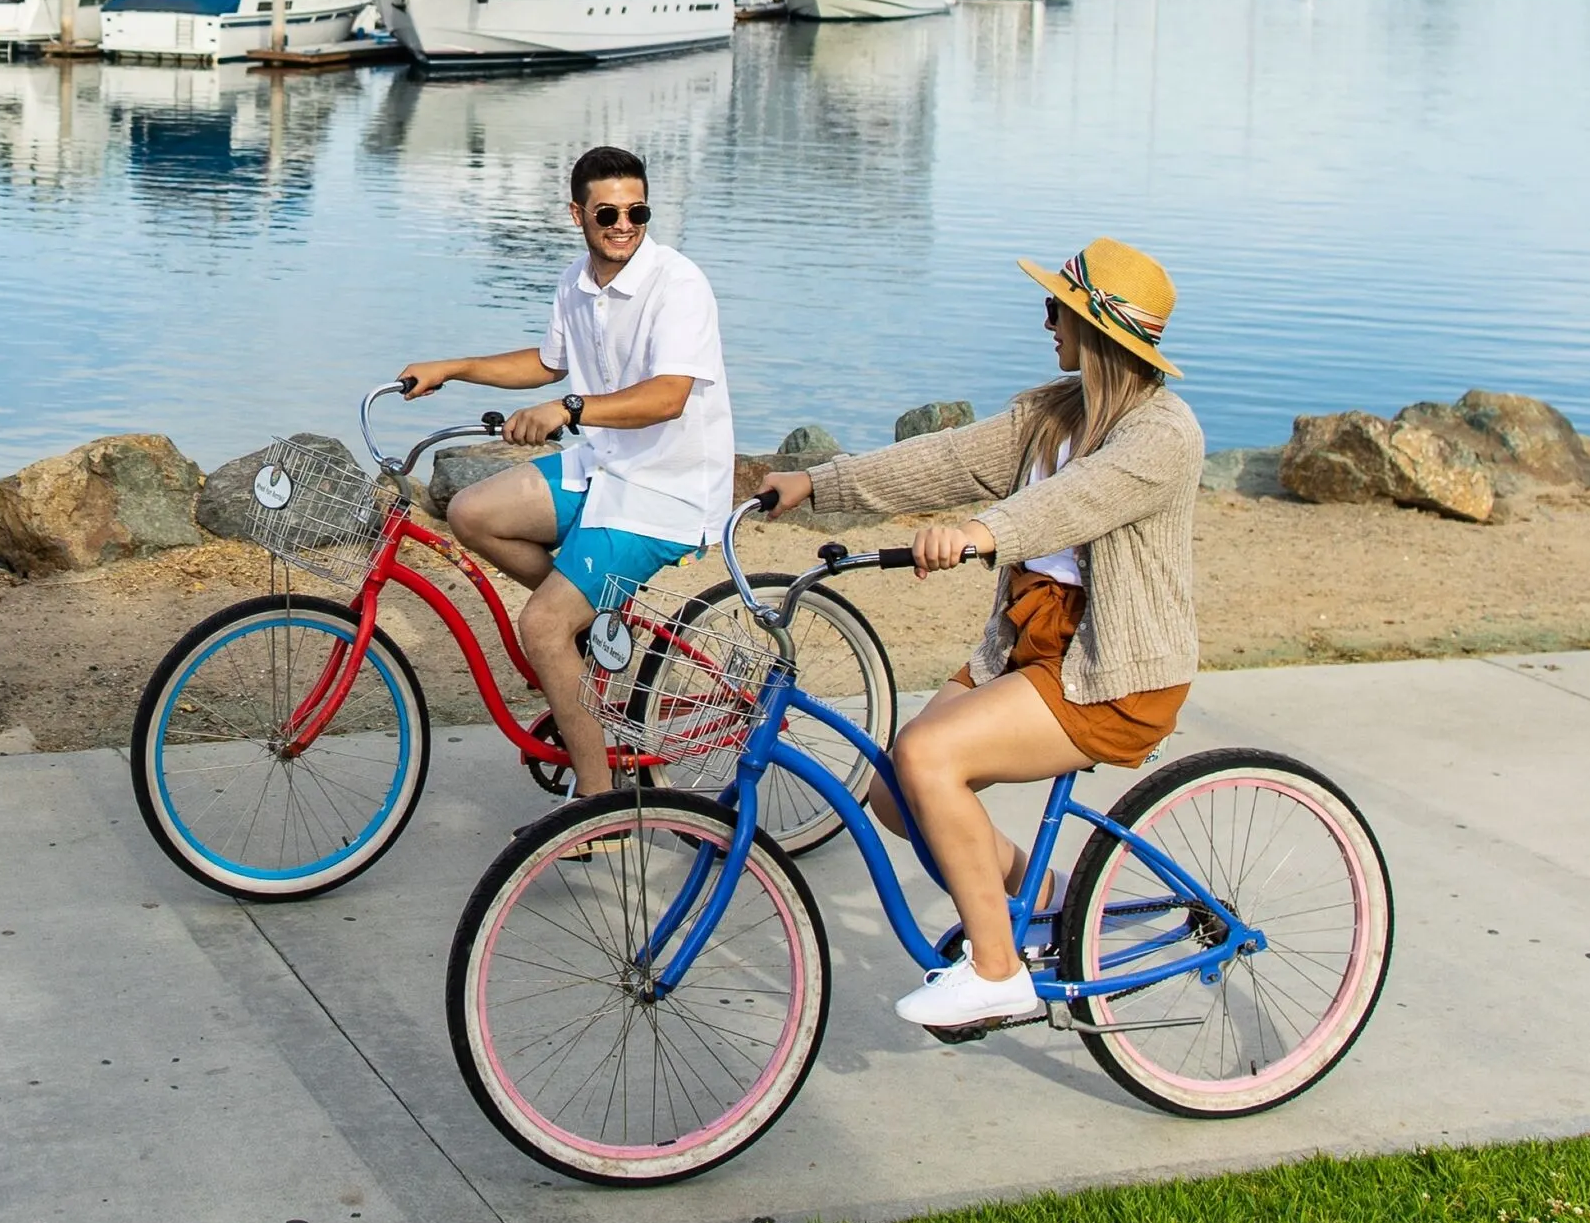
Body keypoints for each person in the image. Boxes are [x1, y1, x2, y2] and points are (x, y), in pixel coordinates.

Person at [761, 237, 1201, 1031]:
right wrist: (817, 484)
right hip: (1031, 646)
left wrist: (980, 532)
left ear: (1094, 327)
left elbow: (1077, 502)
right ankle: (1064, 904)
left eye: (1057, 308)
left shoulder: (1162, 435)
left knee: (931, 757)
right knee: (897, 792)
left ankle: (998, 971)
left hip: (1111, 671)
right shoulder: (1051, 413)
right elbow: (942, 461)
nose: (1044, 320)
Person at [399, 145, 736, 802]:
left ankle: (597, 802)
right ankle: (602, 617)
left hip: (663, 490)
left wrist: (572, 407)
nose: (623, 223)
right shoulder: (576, 284)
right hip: (603, 467)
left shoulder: (679, 284)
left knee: (543, 627)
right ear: (577, 213)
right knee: (472, 512)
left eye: (637, 210)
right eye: (607, 211)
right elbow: (550, 362)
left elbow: (668, 396)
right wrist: (452, 366)